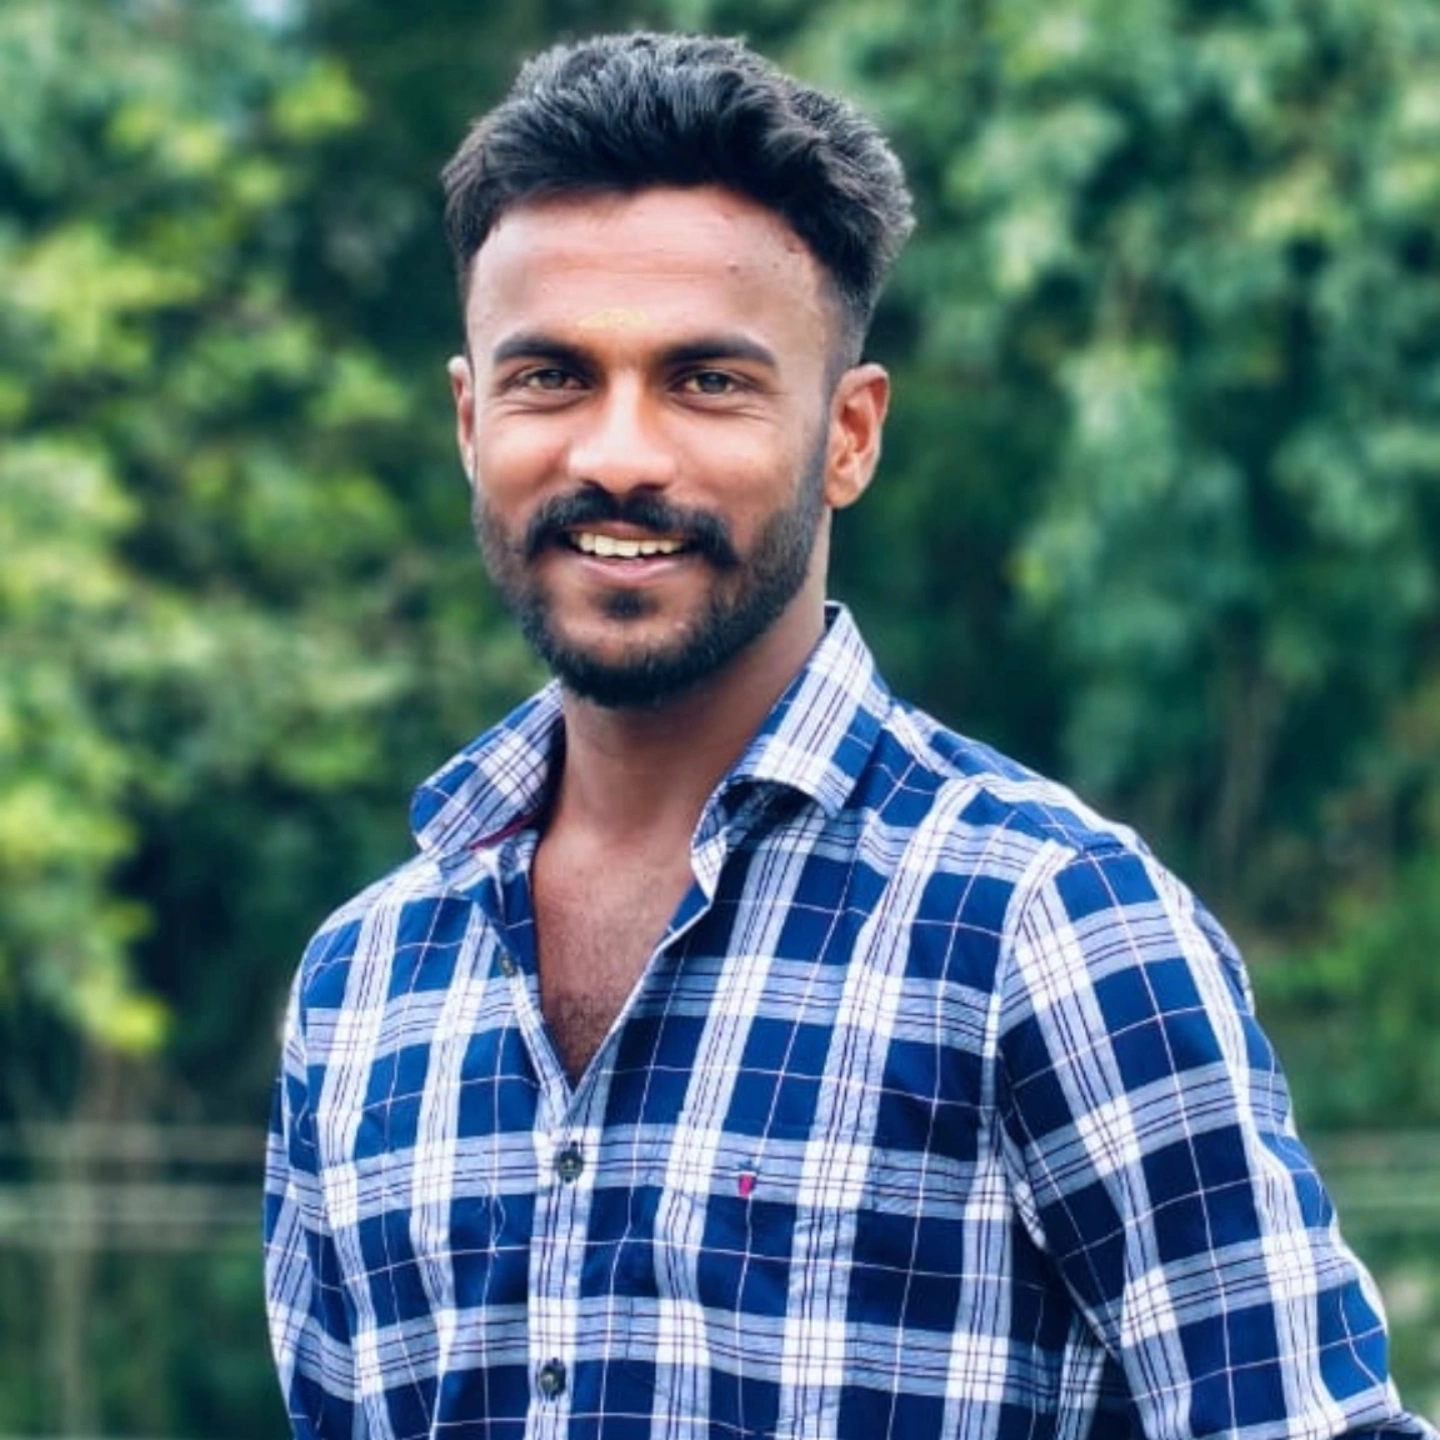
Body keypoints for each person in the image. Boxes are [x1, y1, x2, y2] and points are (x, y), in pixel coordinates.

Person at [263, 30, 1437, 1440]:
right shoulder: (363, 983)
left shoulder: (1045, 927)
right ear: (470, 419)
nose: (618, 454)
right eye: (552, 378)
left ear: (850, 434)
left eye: (708, 381)